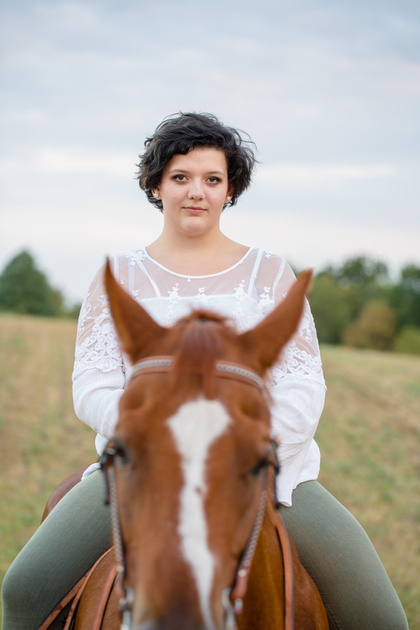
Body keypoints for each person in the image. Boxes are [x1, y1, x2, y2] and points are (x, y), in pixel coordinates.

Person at [2, 112, 408, 630]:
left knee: (382, 619)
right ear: (156, 186)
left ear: (230, 190)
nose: (197, 192)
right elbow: (93, 385)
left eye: (212, 180)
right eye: (180, 178)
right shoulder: (118, 278)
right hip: (140, 469)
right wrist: (160, 431)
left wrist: (238, 447)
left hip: (265, 471)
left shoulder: (268, 273)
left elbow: (304, 383)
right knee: (24, 589)